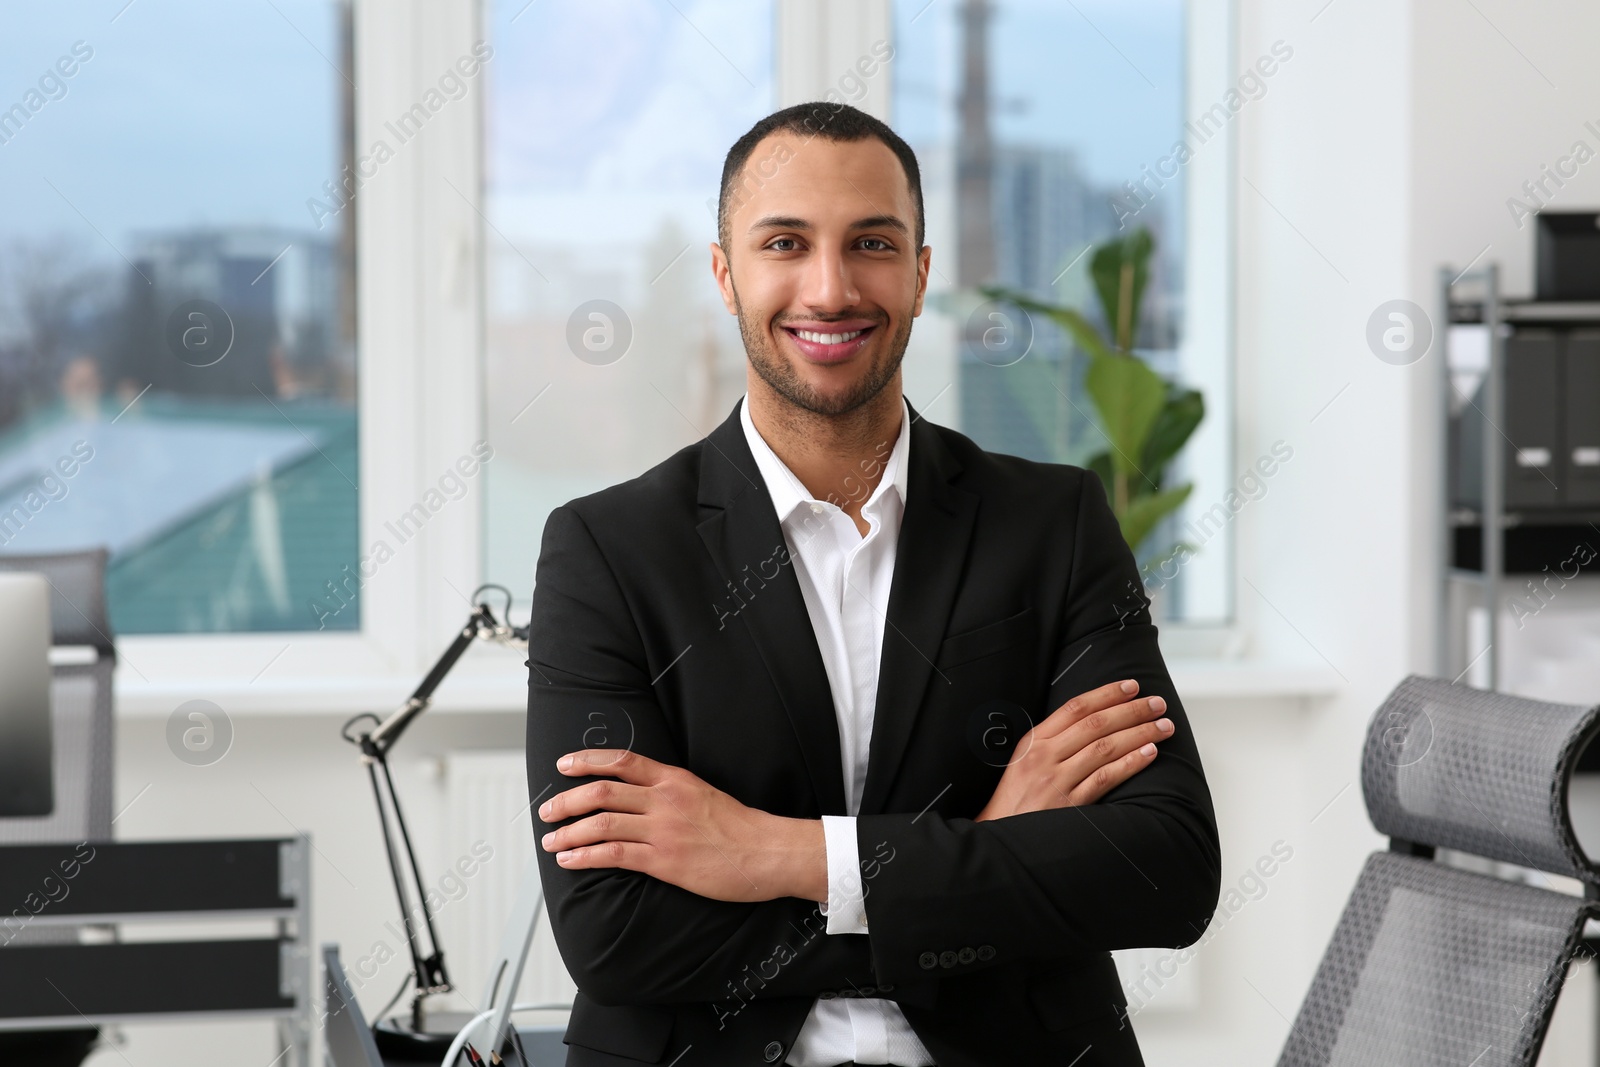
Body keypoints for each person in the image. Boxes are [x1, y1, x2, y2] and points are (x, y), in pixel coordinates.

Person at [526, 101, 1221, 1067]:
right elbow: (614, 934)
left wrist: (770, 852)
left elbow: (1166, 871)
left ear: (922, 273)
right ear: (726, 275)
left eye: (872, 243)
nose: (830, 286)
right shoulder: (607, 549)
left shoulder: (1053, 524)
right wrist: (978, 851)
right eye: (784, 242)